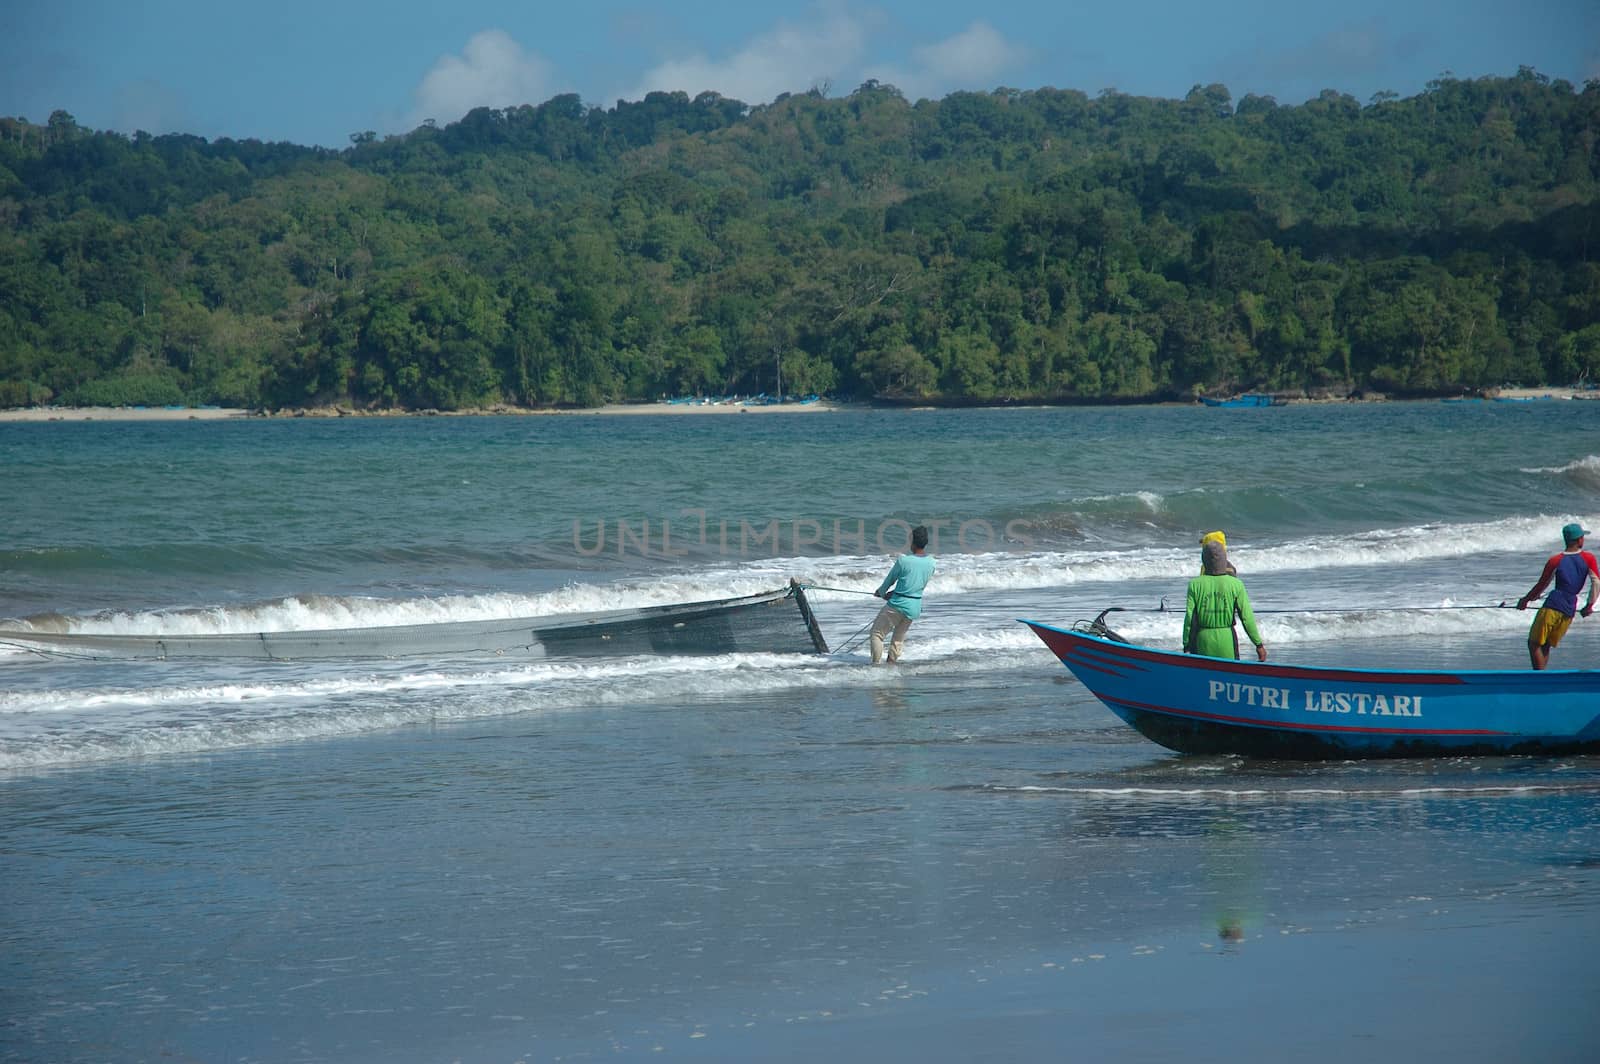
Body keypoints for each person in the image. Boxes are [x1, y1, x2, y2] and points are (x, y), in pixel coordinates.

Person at [1516, 522, 1598, 669]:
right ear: (1579, 540)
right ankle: (1544, 678)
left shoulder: (1555, 560)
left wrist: (1525, 600)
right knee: (1545, 643)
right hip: (1569, 610)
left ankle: (1540, 680)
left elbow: (1541, 585)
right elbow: (1596, 582)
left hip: (1553, 605)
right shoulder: (1589, 558)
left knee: (1533, 643)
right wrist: (1589, 605)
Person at [1184, 539, 1266, 661]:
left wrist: (1186, 645)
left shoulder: (1194, 585)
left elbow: (1190, 619)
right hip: (1227, 640)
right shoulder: (1236, 584)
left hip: (1203, 640)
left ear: (1204, 560)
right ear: (1224, 560)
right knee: (1229, 674)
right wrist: (1258, 644)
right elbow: (1247, 617)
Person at [870, 525, 935, 664]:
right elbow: (916, 585)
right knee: (898, 638)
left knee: (877, 634)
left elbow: (889, 581)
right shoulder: (931, 562)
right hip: (914, 606)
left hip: (898, 605)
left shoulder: (903, 561)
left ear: (912, 541)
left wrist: (881, 593)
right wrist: (893, 593)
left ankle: (875, 667)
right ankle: (891, 666)